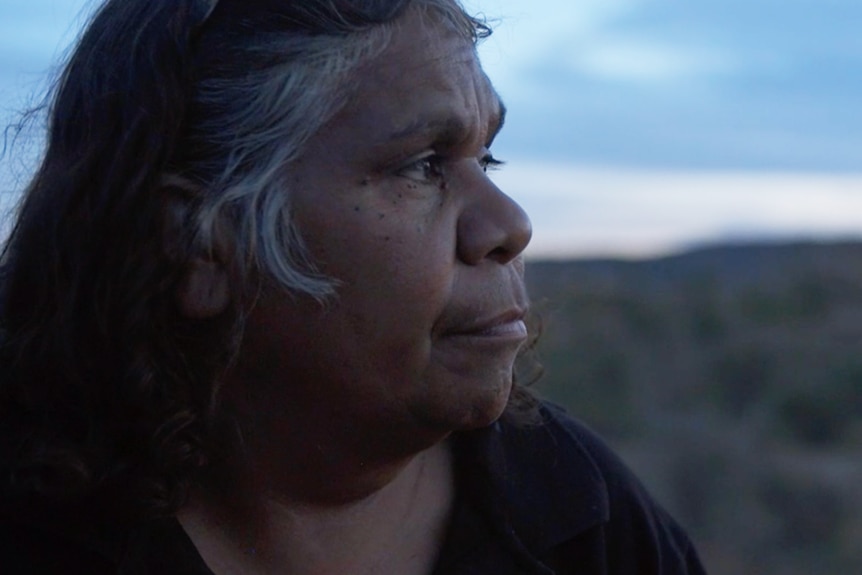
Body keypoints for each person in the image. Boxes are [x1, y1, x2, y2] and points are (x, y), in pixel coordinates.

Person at [0, 0, 707, 573]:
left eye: (485, 156)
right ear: (198, 244)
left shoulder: (574, 512)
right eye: (422, 165)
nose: (509, 224)